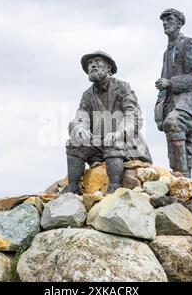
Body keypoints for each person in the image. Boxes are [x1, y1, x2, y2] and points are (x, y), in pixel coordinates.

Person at [62, 51, 152, 194]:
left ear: (109, 67)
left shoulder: (123, 87)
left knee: (113, 141)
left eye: (97, 61)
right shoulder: (87, 95)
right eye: (89, 64)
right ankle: (72, 188)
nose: (92, 65)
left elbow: (133, 116)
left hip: (126, 143)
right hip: (100, 146)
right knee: (74, 143)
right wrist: (79, 129)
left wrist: (119, 133)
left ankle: (114, 187)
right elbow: (80, 118)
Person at [154, 8, 192, 178]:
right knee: (185, 144)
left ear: (179, 22)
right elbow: (163, 84)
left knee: (173, 123)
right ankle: (185, 179)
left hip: (189, 104)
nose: (165, 23)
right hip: (171, 104)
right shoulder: (166, 52)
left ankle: (181, 178)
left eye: (169, 19)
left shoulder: (188, 43)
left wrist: (171, 83)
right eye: (163, 20)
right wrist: (159, 112)